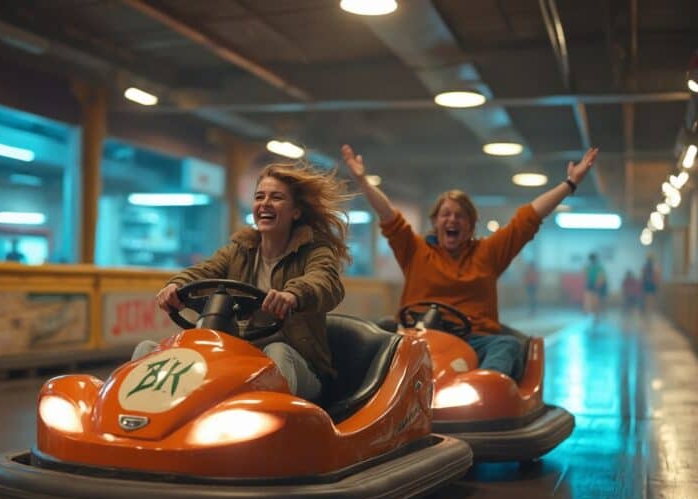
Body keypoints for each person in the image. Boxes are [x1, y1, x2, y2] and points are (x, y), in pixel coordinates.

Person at [341, 143, 599, 380]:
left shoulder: (488, 253)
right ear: (435, 222)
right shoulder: (415, 251)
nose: (452, 220)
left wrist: (570, 183)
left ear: (471, 225)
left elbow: (528, 219)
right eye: (446, 215)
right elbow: (387, 215)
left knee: (507, 345)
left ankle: (480, 393)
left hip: (473, 340)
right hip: (416, 337)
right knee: (367, 333)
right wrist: (362, 181)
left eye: (460, 216)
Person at [154, 162, 351, 404]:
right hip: (241, 362)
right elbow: (205, 271)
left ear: (295, 212)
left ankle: (274, 431)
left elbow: (324, 280)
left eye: (276, 197)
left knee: (276, 353)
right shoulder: (239, 250)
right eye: (260, 197)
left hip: (300, 367)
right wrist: (176, 285)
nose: (265, 203)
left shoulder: (315, 250)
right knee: (152, 352)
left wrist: (293, 295)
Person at [583, 252, 606, 322]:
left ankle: (595, 316)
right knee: (589, 300)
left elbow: (601, 277)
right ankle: (590, 313)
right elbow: (586, 275)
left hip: (595, 285)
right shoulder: (589, 267)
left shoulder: (598, 267)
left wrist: (598, 284)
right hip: (591, 284)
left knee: (595, 301)